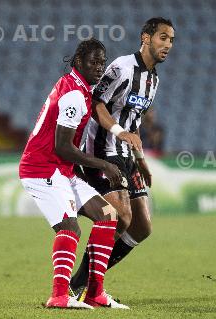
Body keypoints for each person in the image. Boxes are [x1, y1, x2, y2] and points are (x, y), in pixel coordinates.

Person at [19, 38, 141, 309]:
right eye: (93, 62)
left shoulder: (78, 88)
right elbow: (62, 147)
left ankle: (94, 293)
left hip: (60, 169)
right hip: (42, 168)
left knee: (109, 215)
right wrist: (105, 165)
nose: (99, 67)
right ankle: (60, 296)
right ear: (78, 62)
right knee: (70, 227)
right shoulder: (74, 94)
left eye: (102, 62)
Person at [69, 17, 175, 301]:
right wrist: (117, 131)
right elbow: (96, 103)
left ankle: (88, 282)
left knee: (142, 226)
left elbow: (134, 122)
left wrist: (141, 161)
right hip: (102, 148)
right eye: (163, 37)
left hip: (127, 153)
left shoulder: (153, 80)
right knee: (121, 217)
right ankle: (81, 286)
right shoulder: (122, 67)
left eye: (171, 40)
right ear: (146, 38)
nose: (168, 45)